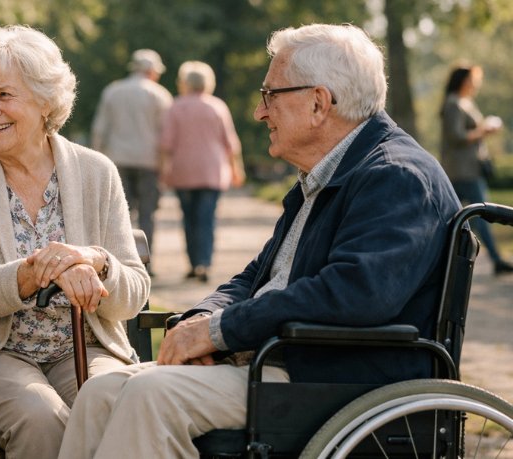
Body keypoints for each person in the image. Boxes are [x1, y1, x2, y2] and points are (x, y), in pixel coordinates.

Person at [57, 23, 462, 459]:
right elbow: (259, 277)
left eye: (270, 95)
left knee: (149, 395)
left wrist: (220, 331)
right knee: (100, 392)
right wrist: (199, 321)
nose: (259, 112)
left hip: (334, 376)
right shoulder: (329, 174)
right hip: (284, 361)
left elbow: (354, 294)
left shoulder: (396, 177)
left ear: (318, 103)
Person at [0, 25, 151, 459]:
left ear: (46, 100)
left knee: (119, 402)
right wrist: (41, 270)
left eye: (4, 95)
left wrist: (95, 262)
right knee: (40, 415)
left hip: (82, 346)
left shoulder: (97, 172)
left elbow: (131, 295)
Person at [160, 61, 244, 282]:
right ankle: (204, 263)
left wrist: (163, 171)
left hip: (183, 171)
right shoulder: (217, 106)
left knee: (188, 219)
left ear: (184, 83)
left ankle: (193, 263)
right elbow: (231, 143)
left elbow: (166, 144)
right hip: (212, 172)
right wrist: (237, 169)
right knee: (207, 219)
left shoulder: (175, 106)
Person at [91, 49, 173, 255]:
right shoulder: (160, 95)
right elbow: (166, 135)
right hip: (149, 162)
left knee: (119, 215)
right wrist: (166, 166)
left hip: (117, 161)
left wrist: (93, 163)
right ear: (152, 71)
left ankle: (120, 257)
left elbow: (99, 130)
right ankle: (145, 259)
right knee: (148, 214)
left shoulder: (112, 91)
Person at [440, 64, 513, 274]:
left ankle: (440, 259)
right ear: (463, 80)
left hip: (468, 168)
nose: (475, 84)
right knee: (481, 213)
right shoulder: (454, 103)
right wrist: (484, 130)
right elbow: (456, 136)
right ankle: (497, 260)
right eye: (472, 80)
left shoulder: (464, 102)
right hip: (462, 170)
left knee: (453, 217)